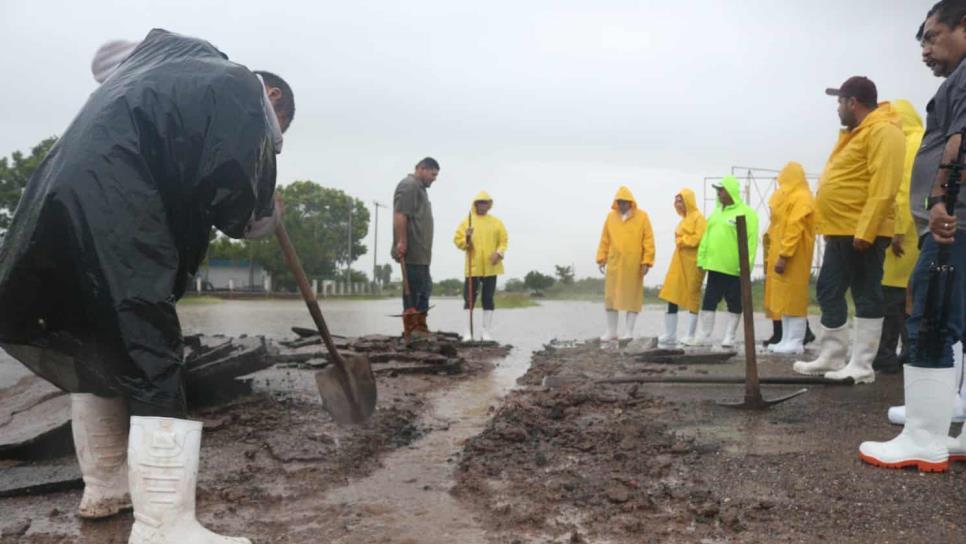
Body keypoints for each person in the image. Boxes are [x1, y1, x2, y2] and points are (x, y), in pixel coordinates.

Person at [0, 29, 294, 543]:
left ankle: (105, 487)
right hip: (115, 212)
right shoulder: (239, 87)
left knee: (95, 350)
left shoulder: (151, 73)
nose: (269, 146)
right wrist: (262, 212)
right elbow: (233, 197)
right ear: (272, 98)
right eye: (277, 135)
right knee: (151, 354)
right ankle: (164, 526)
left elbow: (107, 55)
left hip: (50, 212)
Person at [860, 1, 966, 472]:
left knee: (931, 321)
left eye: (931, 36)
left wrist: (943, 198)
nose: (924, 49)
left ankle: (924, 438)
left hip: (954, 224)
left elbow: (962, 137)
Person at [793, 76, 904, 384]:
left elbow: (885, 184)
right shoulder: (857, 133)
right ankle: (832, 355)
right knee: (828, 290)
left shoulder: (884, 131)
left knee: (867, 294)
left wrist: (866, 231)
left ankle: (862, 365)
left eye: (839, 102)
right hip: (841, 230)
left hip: (862, 231)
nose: (838, 108)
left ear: (853, 102)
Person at [873, 99, 925, 373]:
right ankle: (909, 350)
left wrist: (897, 231)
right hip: (919, 231)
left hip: (904, 233)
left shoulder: (908, 143)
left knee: (892, 295)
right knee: (910, 294)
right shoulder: (925, 139)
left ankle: (886, 353)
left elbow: (904, 191)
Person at [685, 176, 759, 348]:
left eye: (721, 189)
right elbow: (706, 238)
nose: (718, 193)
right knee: (709, 301)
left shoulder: (747, 213)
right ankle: (704, 335)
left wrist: (746, 265)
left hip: (734, 268)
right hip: (714, 266)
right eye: (717, 190)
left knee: (734, 302)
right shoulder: (716, 213)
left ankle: (730, 336)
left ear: (730, 190)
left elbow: (751, 241)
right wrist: (701, 258)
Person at [763, 162, 817, 355]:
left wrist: (784, 255)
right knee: (784, 299)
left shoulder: (802, 198)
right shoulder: (791, 198)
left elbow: (794, 228)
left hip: (795, 256)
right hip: (783, 254)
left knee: (794, 298)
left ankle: (795, 341)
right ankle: (786, 339)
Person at [596, 186, 655, 341]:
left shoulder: (642, 217)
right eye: (619, 202)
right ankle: (611, 332)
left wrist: (647, 261)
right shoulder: (610, 217)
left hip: (633, 264)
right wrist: (601, 258)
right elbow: (605, 239)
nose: (622, 205)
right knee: (611, 298)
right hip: (614, 263)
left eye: (625, 202)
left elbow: (648, 240)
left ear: (631, 203)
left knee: (632, 298)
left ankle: (629, 332)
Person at [392, 157, 440, 339]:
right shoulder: (409, 185)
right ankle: (411, 330)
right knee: (413, 290)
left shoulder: (420, 189)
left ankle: (420, 327)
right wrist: (401, 242)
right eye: (432, 174)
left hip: (422, 252)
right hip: (411, 251)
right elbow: (400, 215)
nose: (434, 179)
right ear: (421, 168)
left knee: (425, 287)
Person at [453, 191, 508, 341]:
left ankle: (486, 332)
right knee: (469, 299)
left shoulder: (497, 222)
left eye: (486, 202)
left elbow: (504, 241)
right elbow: (458, 241)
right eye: (480, 202)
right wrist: (467, 239)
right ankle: (467, 333)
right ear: (475, 204)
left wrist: (499, 253)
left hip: (491, 266)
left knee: (488, 298)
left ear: (489, 204)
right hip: (473, 267)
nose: (483, 205)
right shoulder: (467, 222)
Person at [657, 189, 706, 347]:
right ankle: (670, 334)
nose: (678, 203)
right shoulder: (682, 220)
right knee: (671, 295)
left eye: (680, 200)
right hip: (678, 263)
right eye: (676, 201)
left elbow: (699, 238)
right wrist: (681, 240)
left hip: (694, 263)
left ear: (688, 200)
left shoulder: (699, 218)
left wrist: (681, 240)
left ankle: (690, 335)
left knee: (692, 297)